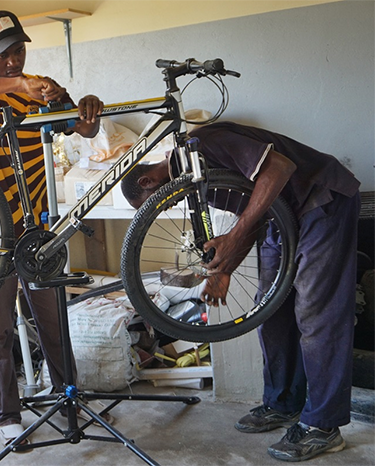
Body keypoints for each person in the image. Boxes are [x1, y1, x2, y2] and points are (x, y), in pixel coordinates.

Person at [121, 121, 360, 462]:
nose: (165, 208)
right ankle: (283, 403)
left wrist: (233, 240)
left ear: (147, 182)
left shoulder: (201, 145)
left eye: (151, 203)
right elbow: (253, 211)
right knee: (270, 308)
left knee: (317, 316)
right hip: (283, 215)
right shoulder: (192, 185)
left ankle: (323, 426)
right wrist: (224, 269)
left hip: (320, 200)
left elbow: (279, 168)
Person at [0, 11, 108, 447]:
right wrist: (16, 83)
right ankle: (7, 416)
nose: (13, 61)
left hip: (38, 229)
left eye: (19, 51)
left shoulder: (41, 88)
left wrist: (87, 107)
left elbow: (82, 126)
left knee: (52, 321)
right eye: (2, 55)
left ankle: (67, 400)